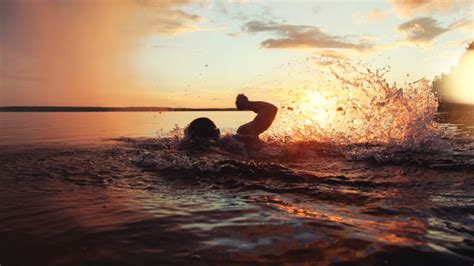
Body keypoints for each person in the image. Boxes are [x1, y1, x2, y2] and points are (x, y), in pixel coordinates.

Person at [183, 94, 277, 147]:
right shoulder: (239, 139)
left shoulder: (187, 152)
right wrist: (245, 104)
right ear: (218, 131)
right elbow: (270, 109)